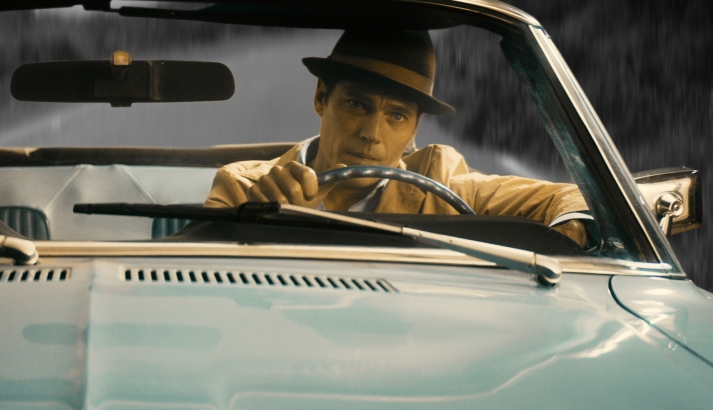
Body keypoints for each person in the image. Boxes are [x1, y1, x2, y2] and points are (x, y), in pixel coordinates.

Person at [204, 28, 593, 246]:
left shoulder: (442, 185)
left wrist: (566, 238)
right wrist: (261, 222)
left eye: (396, 115)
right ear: (322, 97)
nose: (372, 134)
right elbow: (206, 286)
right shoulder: (245, 188)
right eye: (357, 104)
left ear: (414, 129)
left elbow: (576, 198)